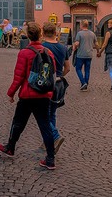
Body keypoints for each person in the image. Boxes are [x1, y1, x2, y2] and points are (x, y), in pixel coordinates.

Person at [0, 22, 58, 171]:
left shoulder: (24, 53)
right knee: (45, 126)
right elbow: (53, 72)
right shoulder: (48, 52)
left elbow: (18, 77)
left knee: (18, 123)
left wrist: (11, 93)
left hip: (27, 95)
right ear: (40, 34)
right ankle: (50, 158)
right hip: (43, 94)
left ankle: (10, 147)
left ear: (28, 36)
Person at [41, 22, 71, 152]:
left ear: (43, 33)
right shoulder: (63, 48)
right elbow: (68, 68)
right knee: (52, 113)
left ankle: (55, 136)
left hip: (45, 84)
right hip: (59, 83)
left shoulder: (42, 47)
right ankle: (47, 141)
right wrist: (59, 76)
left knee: (43, 115)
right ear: (56, 33)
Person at [72, 20, 96, 91]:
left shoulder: (79, 33)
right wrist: (98, 51)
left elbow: (76, 43)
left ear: (82, 25)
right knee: (87, 70)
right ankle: (86, 83)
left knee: (78, 68)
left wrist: (74, 47)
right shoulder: (92, 33)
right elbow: (96, 43)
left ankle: (83, 82)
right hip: (89, 55)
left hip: (81, 54)